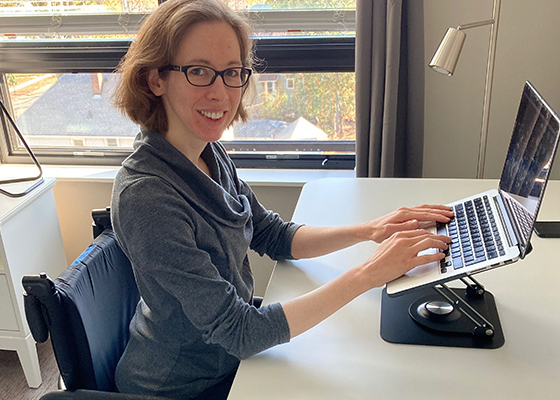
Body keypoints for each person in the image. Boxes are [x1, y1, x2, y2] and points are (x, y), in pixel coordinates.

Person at [110, 1, 453, 399]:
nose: (221, 92)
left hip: (229, 359)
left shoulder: (206, 152)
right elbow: (241, 332)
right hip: (181, 385)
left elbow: (273, 235)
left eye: (233, 73)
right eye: (199, 71)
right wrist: (369, 274)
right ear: (155, 79)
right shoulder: (148, 198)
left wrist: (369, 230)